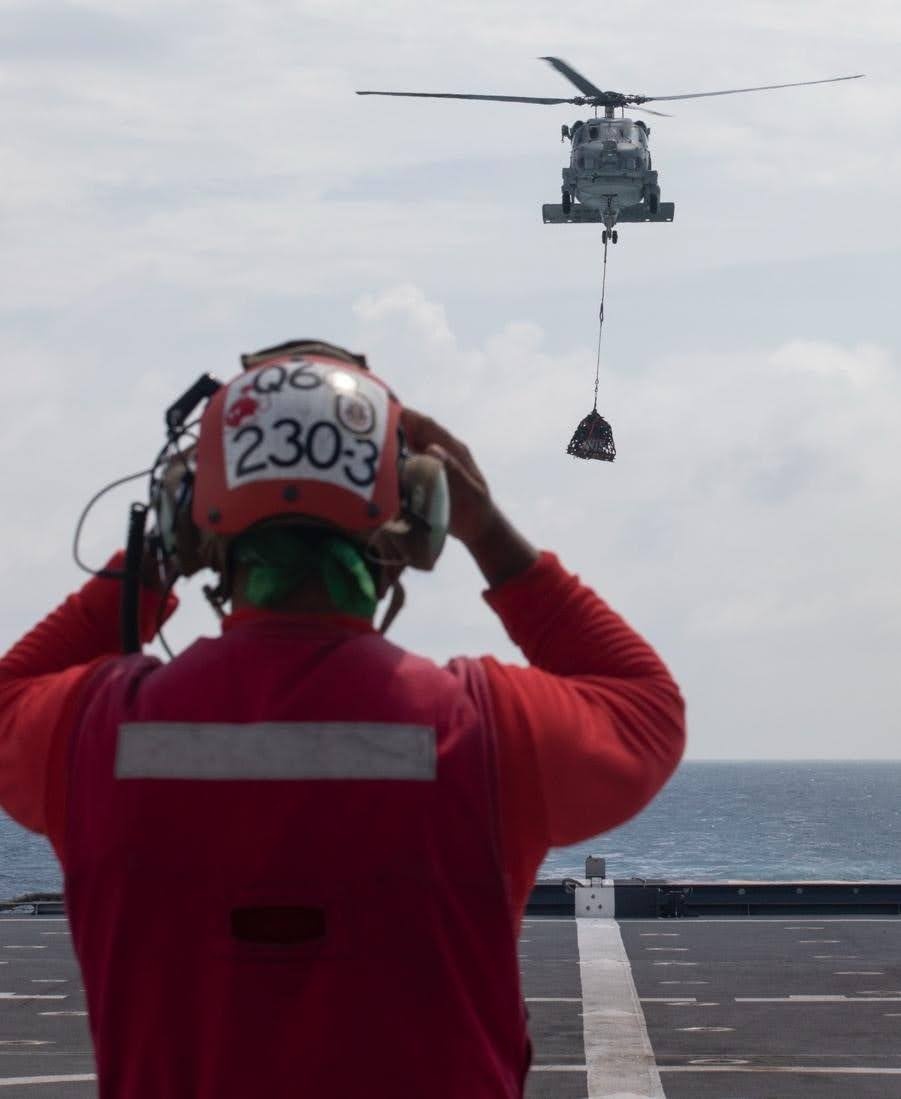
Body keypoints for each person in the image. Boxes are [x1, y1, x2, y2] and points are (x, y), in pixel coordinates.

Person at [0, 339, 685, 1098]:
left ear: (195, 520)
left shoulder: (91, 734)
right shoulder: (486, 731)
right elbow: (644, 707)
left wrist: (159, 549)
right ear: (422, 511)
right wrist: (488, 529)